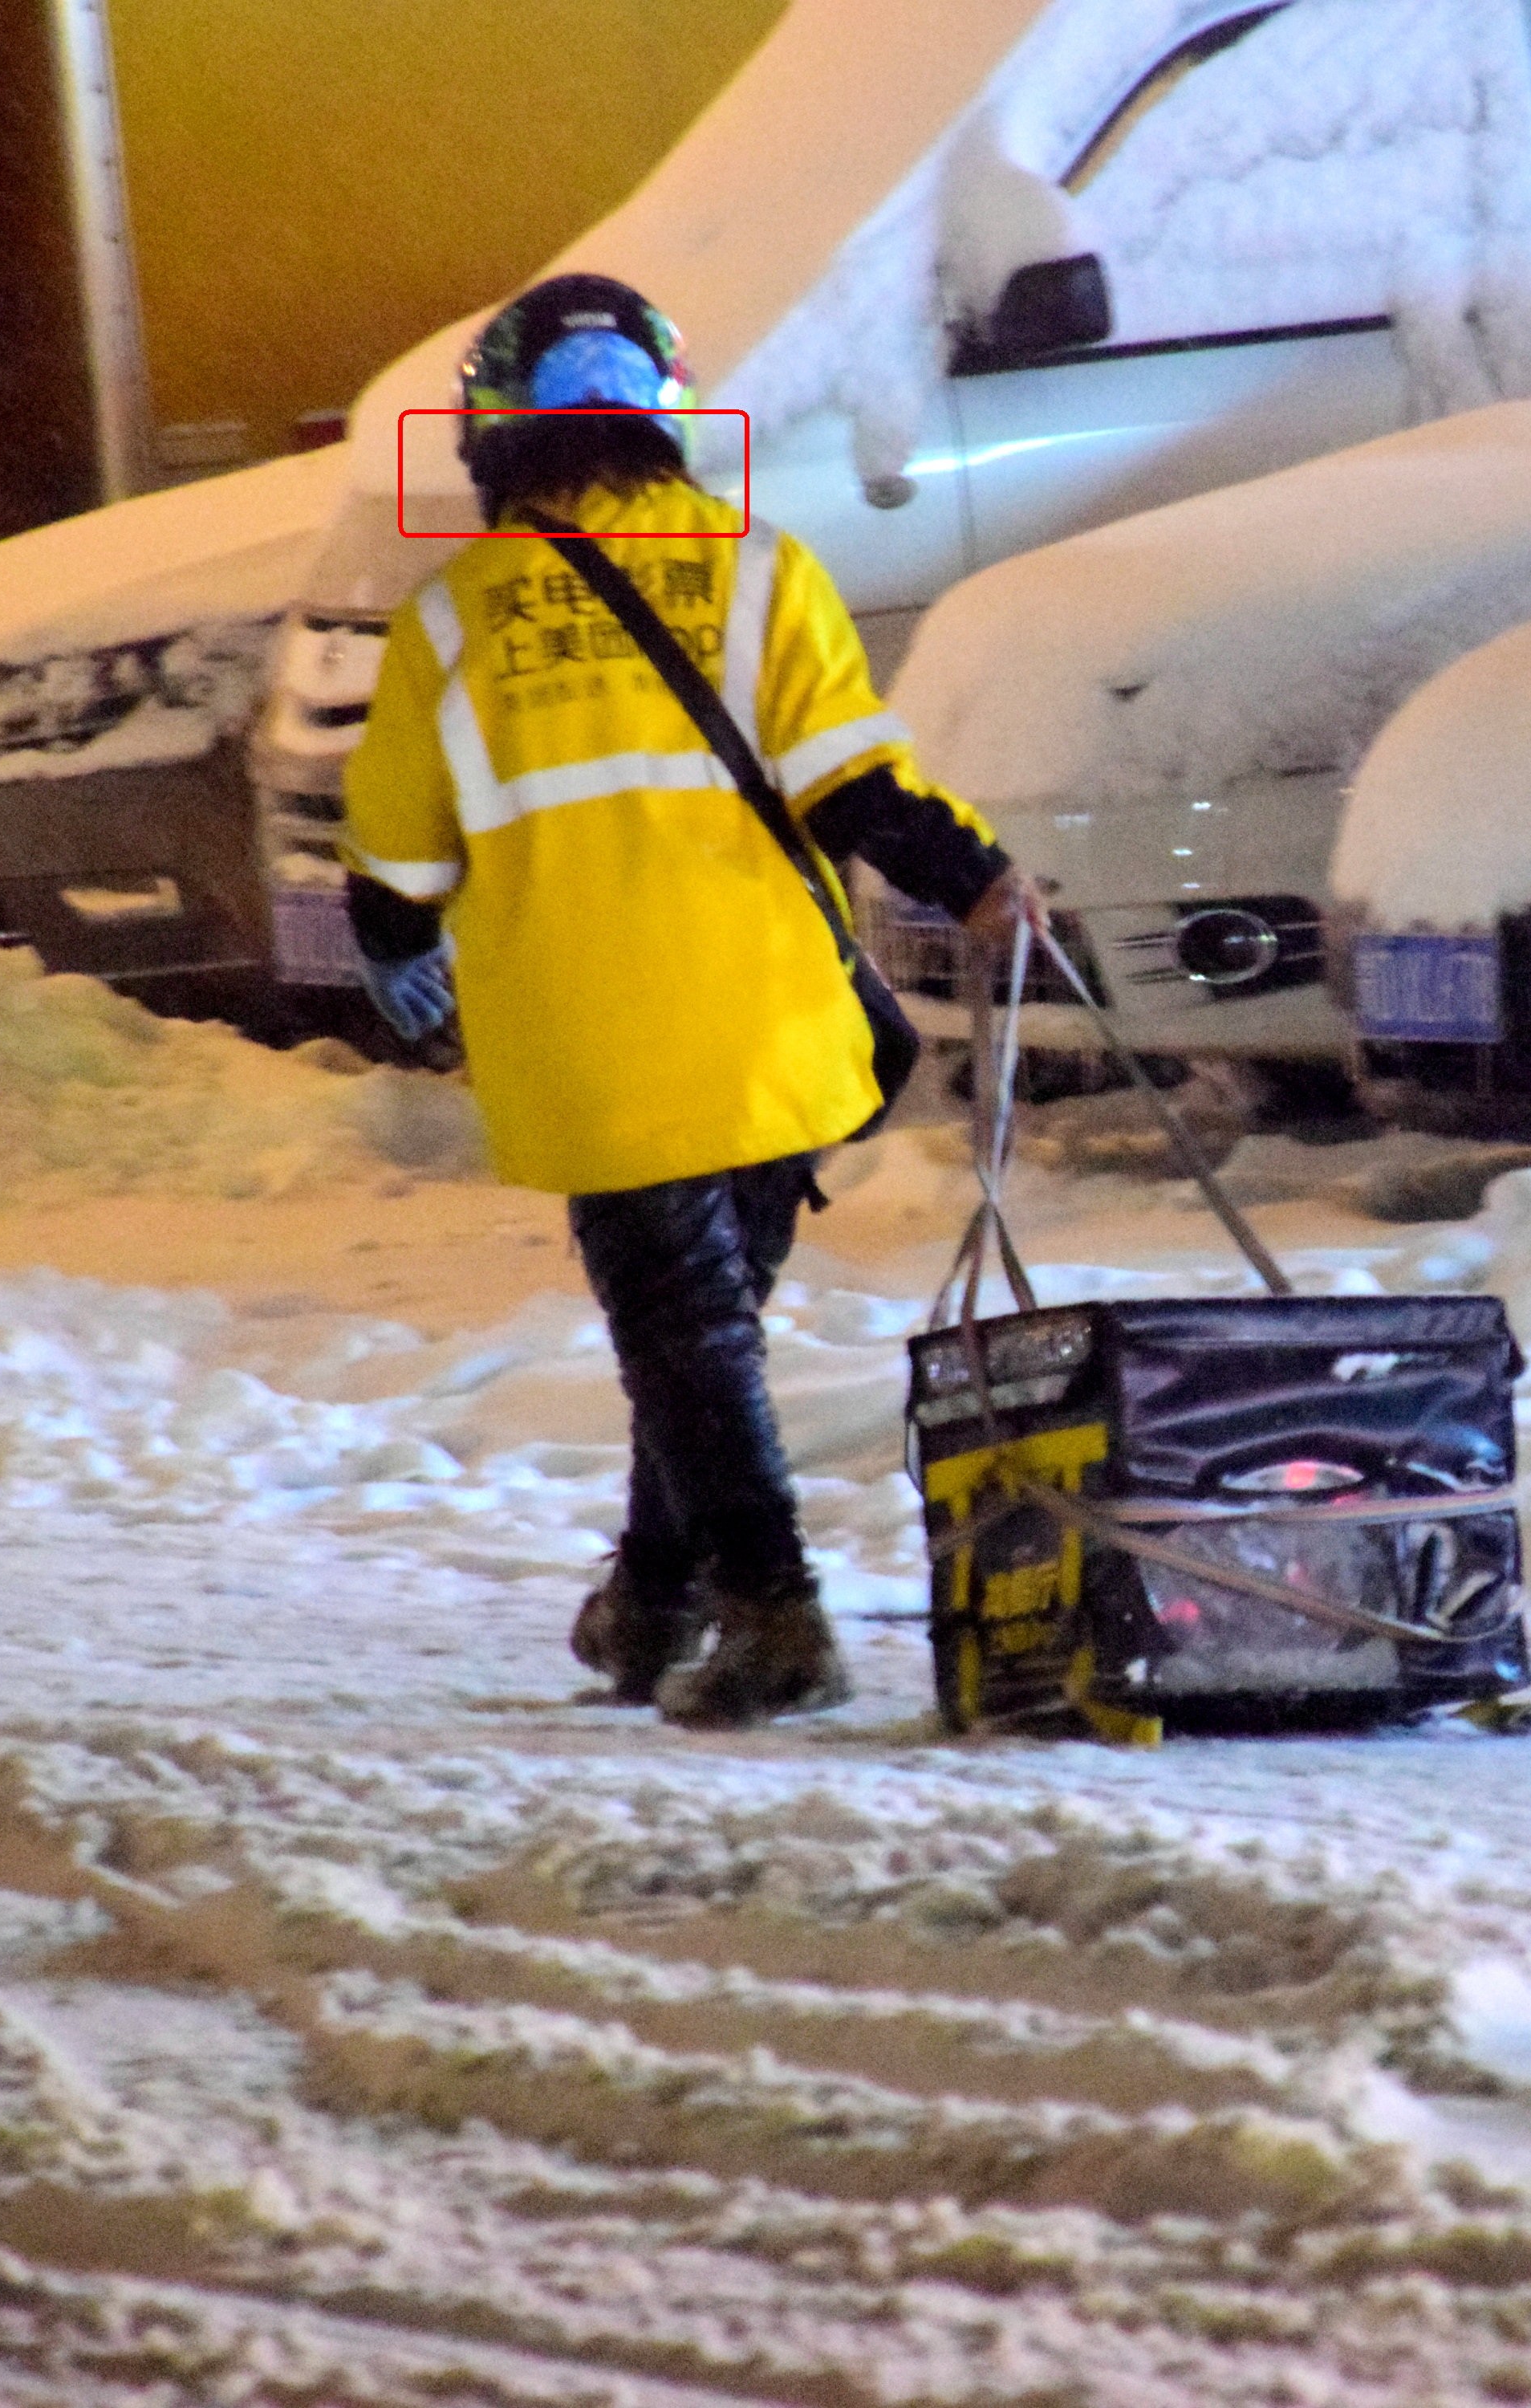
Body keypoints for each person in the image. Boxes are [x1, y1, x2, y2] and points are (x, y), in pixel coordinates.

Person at [339, 273, 1043, 1727]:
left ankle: (775, 1617)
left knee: (687, 1342)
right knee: (700, 1338)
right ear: (661, 426)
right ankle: (653, 1607)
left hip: (598, 1046)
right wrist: (978, 882)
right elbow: (859, 783)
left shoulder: (455, 621)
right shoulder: (766, 571)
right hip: (778, 1033)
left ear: (497, 436)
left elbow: (394, 867)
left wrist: (398, 953)